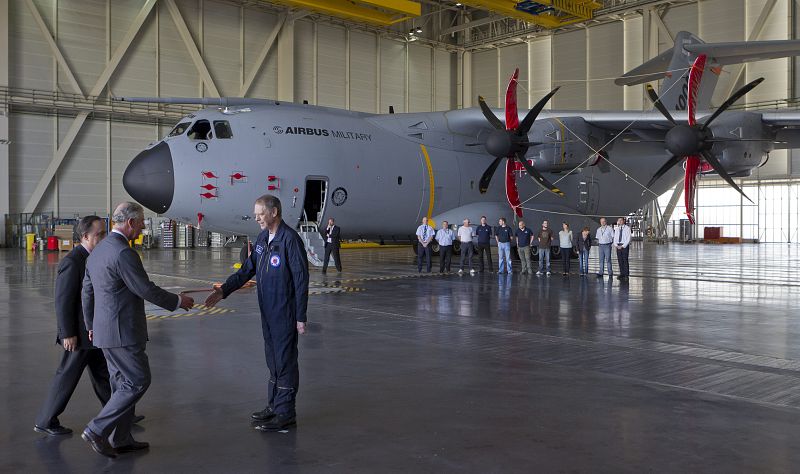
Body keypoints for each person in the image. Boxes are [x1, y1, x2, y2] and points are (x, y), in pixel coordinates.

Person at [81, 202, 193, 458]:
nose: (143, 226)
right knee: (138, 380)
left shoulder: (98, 251)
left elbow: (86, 292)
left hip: (104, 332)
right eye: (141, 221)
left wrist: (90, 325)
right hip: (123, 333)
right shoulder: (123, 253)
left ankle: (119, 438)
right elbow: (144, 288)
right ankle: (96, 429)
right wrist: (177, 301)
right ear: (130, 223)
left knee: (121, 384)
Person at [205, 194, 309, 432]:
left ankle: (286, 413)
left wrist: (300, 316)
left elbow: (302, 279)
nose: (256, 218)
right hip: (267, 310)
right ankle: (274, 405)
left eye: (260, 213)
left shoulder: (289, 240)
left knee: (284, 361)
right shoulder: (263, 239)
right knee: (273, 360)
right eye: (255, 214)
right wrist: (224, 291)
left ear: (274, 212)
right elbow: (246, 270)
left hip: (285, 311)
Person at [35, 216, 111, 436]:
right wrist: (67, 333)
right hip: (78, 334)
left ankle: (118, 411)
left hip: (93, 332)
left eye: (105, 233)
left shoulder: (93, 257)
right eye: (99, 234)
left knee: (103, 374)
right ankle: (46, 420)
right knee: (67, 376)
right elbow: (63, 300)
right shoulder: (73, 261)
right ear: (85, 236)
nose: (103, 238)